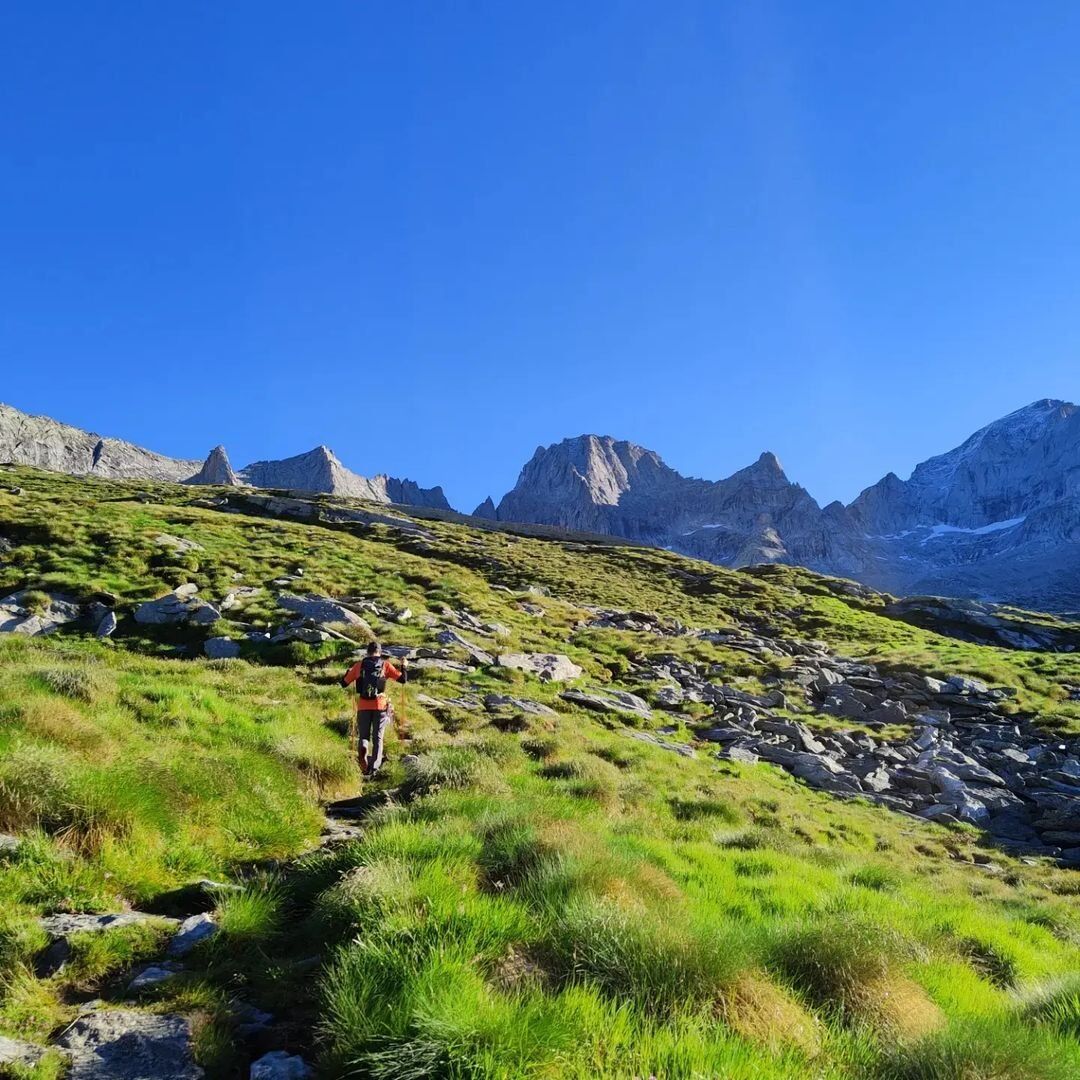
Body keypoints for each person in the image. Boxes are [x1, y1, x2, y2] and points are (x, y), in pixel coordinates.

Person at [341, 642, 407, 777]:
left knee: (364, 736)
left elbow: (343, 683)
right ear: (379, 652)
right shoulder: (385, 664)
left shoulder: (359, 665)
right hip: (380, 706)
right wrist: (404, 666)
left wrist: (348, 672)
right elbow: (403, 679)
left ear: (367, 651)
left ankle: (363, 757)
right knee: (378, 737)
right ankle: (374, 768)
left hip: (363, 706)